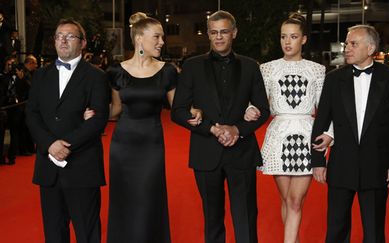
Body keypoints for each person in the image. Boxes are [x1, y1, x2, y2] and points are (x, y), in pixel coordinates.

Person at [97, 12, 201, 243]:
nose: (162, 42)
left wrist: (195, 112)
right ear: (139, 39)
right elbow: (115, 109)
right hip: (122, 146)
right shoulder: (116, 71)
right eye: (157, 37)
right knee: (124, 200)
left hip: (151, 144)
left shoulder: (167, 71)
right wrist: (90, 116)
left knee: (148, 198)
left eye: (162, 37)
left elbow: (177, 108)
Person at [171, 10, 270, 243]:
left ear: (234, 33)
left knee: (246, 216)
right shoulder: (192, 66)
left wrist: (238, 130)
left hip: (242, 152)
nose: (218, 37)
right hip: (206, 151)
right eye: (213, 32)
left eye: (224, 32)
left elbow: (263, 109)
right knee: (212, 218)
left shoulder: (250, 66)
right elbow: (178, 111)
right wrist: (211, 129)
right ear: (207, 34)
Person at [311, 25, 389, 243]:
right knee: (336, 229)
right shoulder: (334, 78)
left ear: (371, 48)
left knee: (374, 231)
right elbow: (322, 120)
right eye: (347, 43)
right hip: (341, 165)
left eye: (353, 44)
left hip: (377, 166)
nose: (347, 48)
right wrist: (318, 161)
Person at [245, 13, 332, 243]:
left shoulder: (317, 70)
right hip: (279, 135)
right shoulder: (267, 69)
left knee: (294, 200)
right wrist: (250, 109)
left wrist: (329, 134)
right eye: (284, 36)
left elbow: (325, 108)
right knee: (287, 200)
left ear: (303, 39)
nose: (287, 41)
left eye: (293, 37)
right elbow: (259, 102)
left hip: (307, 136)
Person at [25, 18, 110, 243]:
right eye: (58, 36)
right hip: (48, 167)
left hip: (82, 167)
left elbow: (99, 119)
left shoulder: (96, 76)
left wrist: (66, 145)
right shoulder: (41, 75)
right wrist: (50, 144)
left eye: (70, 36)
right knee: (53, 233)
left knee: (87, 232)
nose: (62, 40)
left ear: (82, 43)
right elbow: (32, 114)